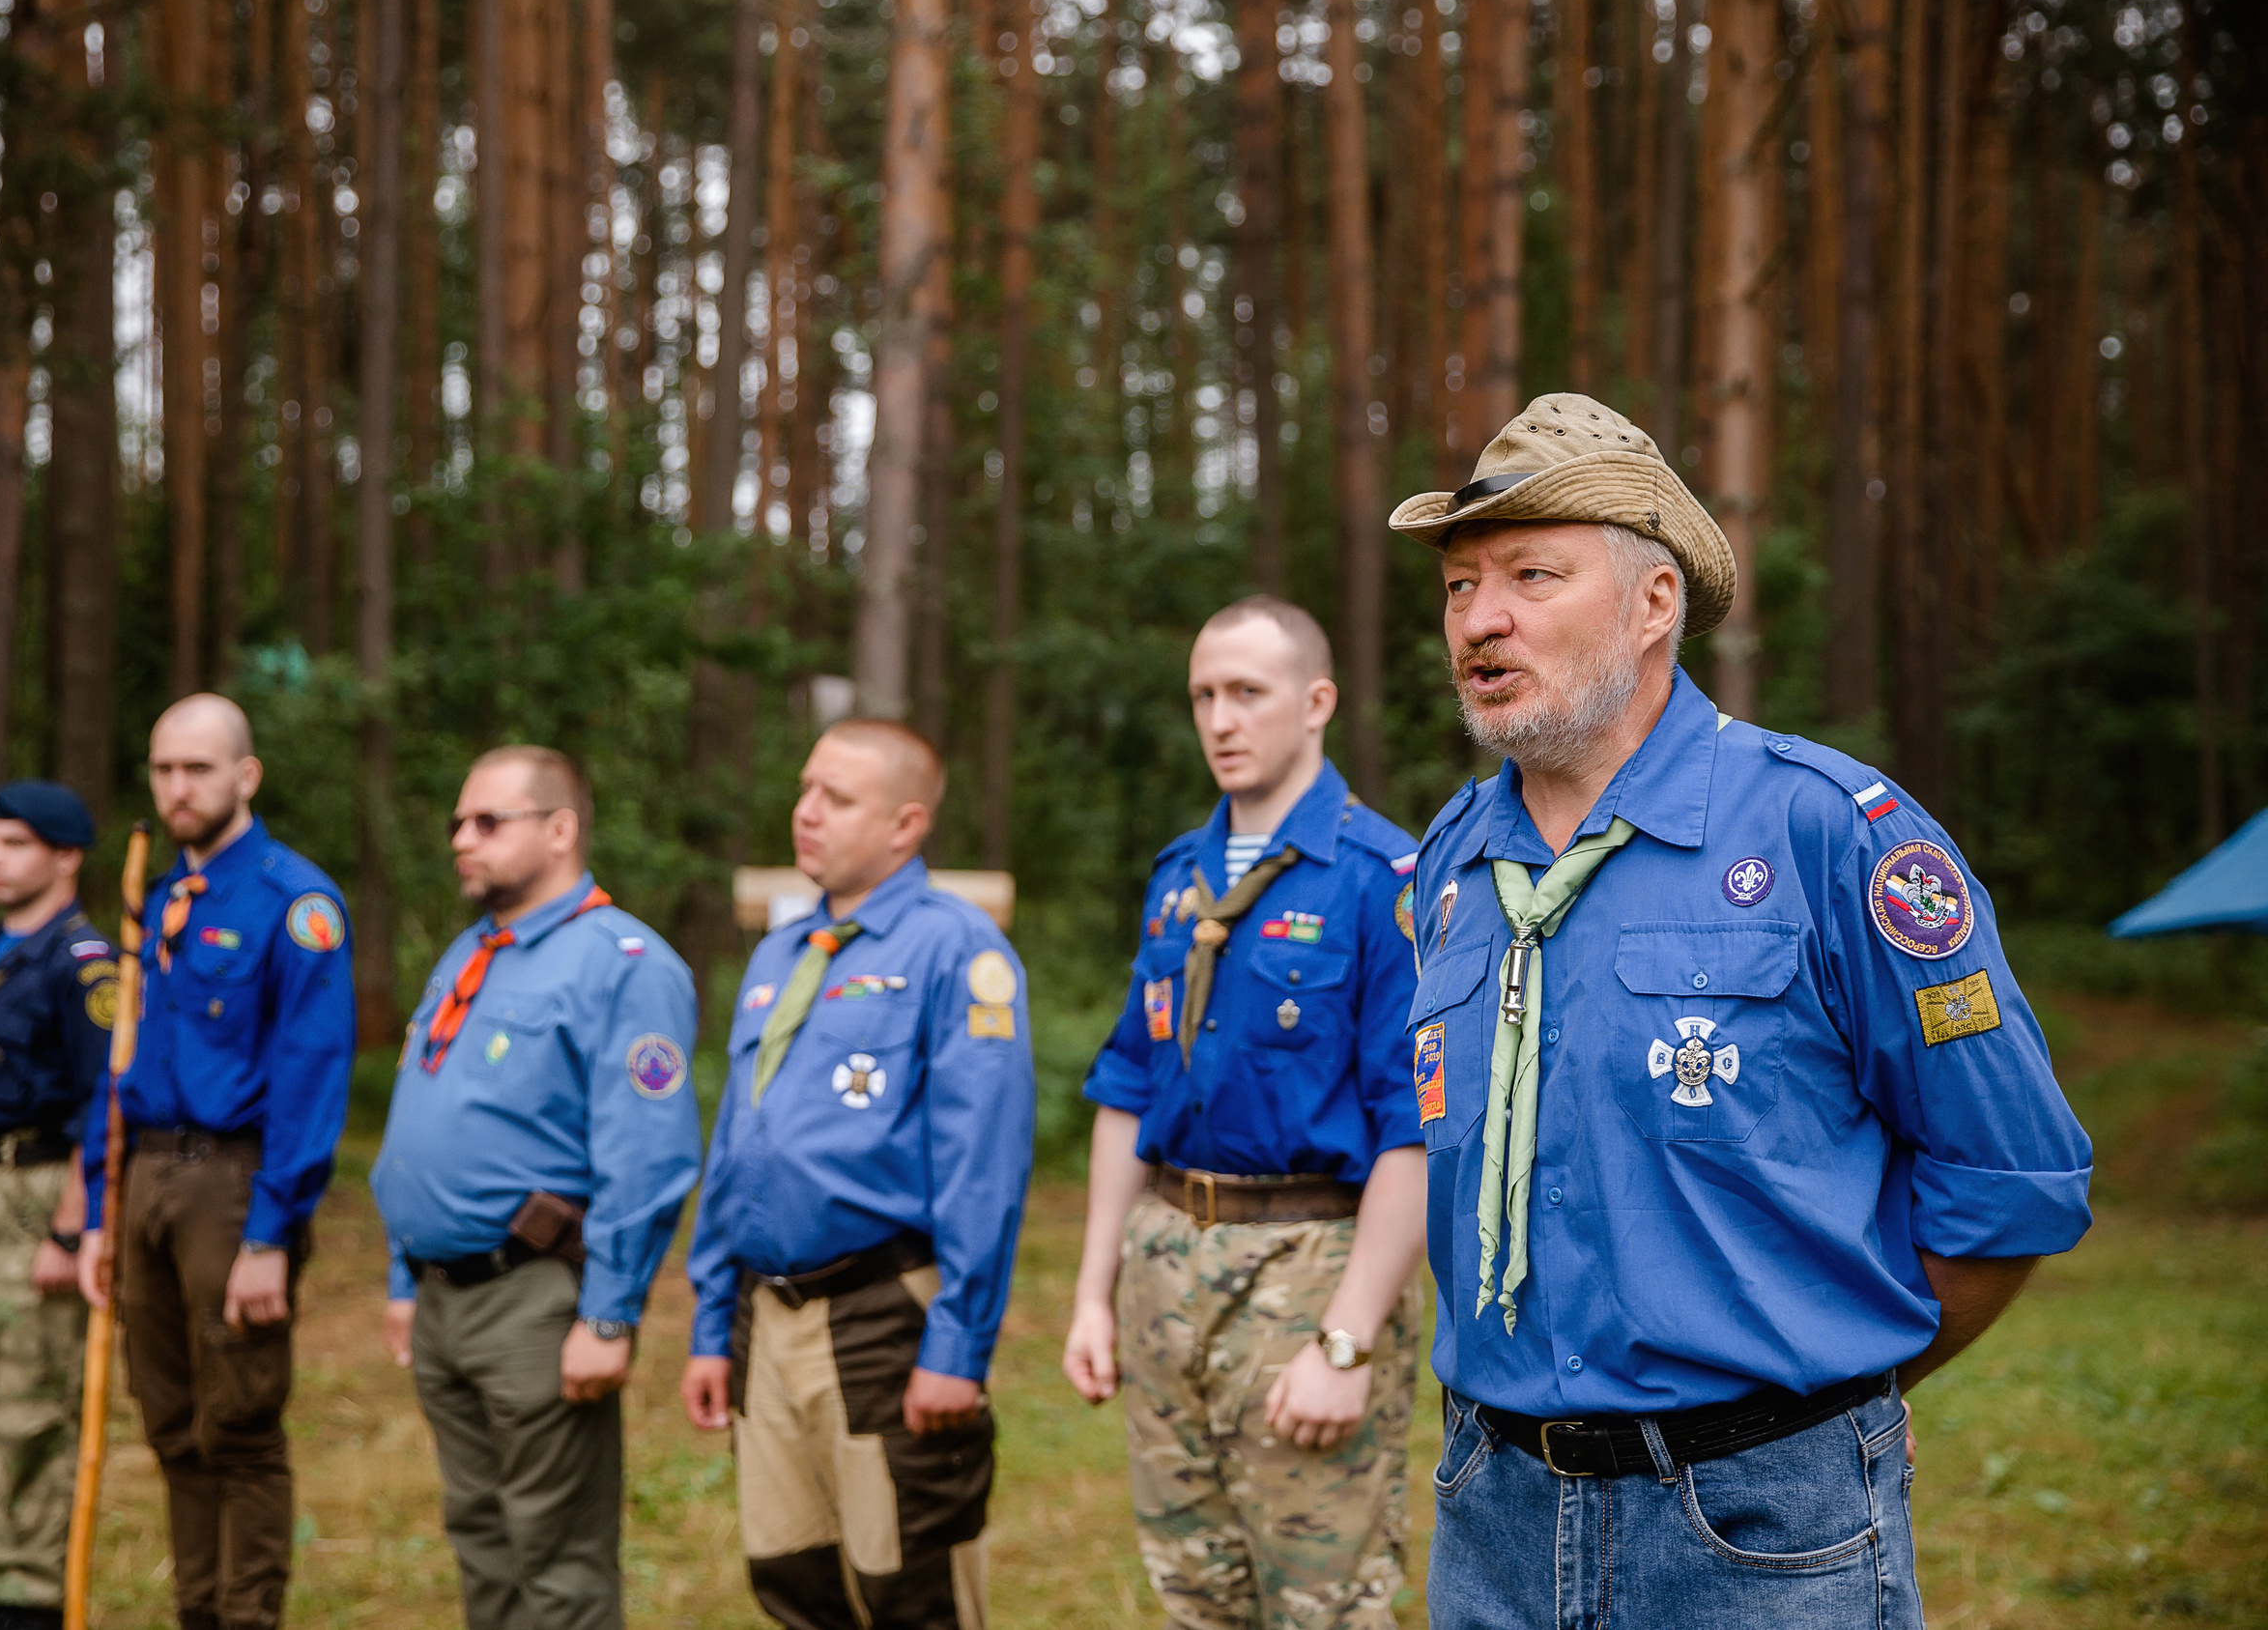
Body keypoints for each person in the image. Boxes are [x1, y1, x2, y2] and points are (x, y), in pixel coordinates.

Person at [1387, 394, 2093, 1626]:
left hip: (1759, 1530)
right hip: (1489, 1514)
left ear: (1655, 604)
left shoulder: (1829, 832)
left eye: (1531, 576)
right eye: (1459, 586)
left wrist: (1836, 1397)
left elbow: (2010, 1176)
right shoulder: (1450, 864)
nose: (1479, 620)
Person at [1063, 597, 1429, 1630]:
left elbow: (1416, 1127)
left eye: (1246, 694)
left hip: (1308, 1267)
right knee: (1195, 1593)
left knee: (1320, 1603)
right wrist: (1094, 1293)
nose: (1220, 720)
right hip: (1167, 1266)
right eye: (1202, 696)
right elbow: (1128, 1083)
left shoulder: (1380, 881)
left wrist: (1346, 1344)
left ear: (1316, 703)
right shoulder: (1178, 878)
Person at [680, 720, 1036, 1630]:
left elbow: (982, 1165)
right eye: (804, 790)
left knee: (909, 1588)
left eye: (835, 798)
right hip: (767, 1319)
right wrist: (712, 1322)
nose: (804, 813)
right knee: (792, 1581)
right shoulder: (781, 953)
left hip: (882, 1316)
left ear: (906, 824)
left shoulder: (957, 951)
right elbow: (737, 1146)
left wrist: (956, 1348)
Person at [371, 747, 703, 1628]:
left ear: (560, 830)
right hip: (444, 1300)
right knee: (482, 1541)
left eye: (487, 822)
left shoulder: (624, 962)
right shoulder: (472, 952)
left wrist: (609, 1314)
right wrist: (407, 1278)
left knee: (558, 1564)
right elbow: (426, 1124)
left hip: (534, 1298)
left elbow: (649, 1155)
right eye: (455, 823)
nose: (460, 841)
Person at [77, 694, 357, 1630]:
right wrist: (94, 1209)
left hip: (231, 1187)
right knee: (170, 1425)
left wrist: (271, 1232)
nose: (177, 788)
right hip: (147, 1177)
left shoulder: (296, 903)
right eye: (163, 769)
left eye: (198, 768)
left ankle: (247, 1621)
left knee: (237, 1427)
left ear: (246, 776)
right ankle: (197, 1612)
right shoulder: (160, 900)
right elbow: (122, 1064)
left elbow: (312, 1076)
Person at [0, 781, 114, 1630]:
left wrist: (72, 1230)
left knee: (33, 1401)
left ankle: (27, 1596)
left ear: (66, 856)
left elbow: (101, 1109)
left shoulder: (85, 967)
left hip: (42, 1193)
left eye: (16, 843)